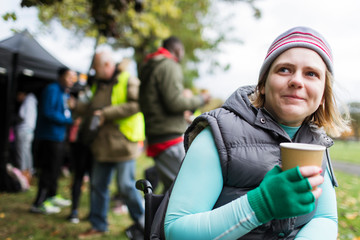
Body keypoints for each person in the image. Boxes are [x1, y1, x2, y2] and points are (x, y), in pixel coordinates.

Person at [162, 26, 350, 239]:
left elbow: (325, 218)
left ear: (324, 95)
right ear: (262, 84)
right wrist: (262, 204)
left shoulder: (316, 142)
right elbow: (176, 231)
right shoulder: (218, 133)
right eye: (284, 69)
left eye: (311, 73)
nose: (297, 81)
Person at [77, 50, 145, 239]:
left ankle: (144, 224)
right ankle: (98, 225)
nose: (94, 71)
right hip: (102, 144)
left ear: (107, 65)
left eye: (96, 68)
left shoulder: (128, 79)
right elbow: (89, 106)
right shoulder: (97, 84)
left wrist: (106, 113)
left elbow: (136, 105)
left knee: (126, 186)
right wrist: (78, 101)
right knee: (98, 185)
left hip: (123, 143)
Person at [139, 36, 211, 192]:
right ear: (178, 50)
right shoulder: (169, 65)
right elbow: (174, 103)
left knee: (171, 190)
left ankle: (158, 216)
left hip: (157, 136)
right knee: (185, 190)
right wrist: (200, 99)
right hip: (169, 139)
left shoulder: (150, 65)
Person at [30, 67, 76, 214]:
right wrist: (69, 120)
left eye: (73, 78)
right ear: (61, 76)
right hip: (48, 137)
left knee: (55, 168)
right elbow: (48, 112)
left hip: (58, 137)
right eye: (69, 77)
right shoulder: (52, 89)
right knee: (48, 170)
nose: (72, 80)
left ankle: (51, 196)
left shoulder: (64, 93)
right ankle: (38, 203)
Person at [14, 89, 38, 184]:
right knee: (27, 153)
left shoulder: (27, 101)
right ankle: (29, 174)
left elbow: (21, 115)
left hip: (24, 130)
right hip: (30, 130)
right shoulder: (33, 101)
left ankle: (23, 177)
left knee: (22, 153)